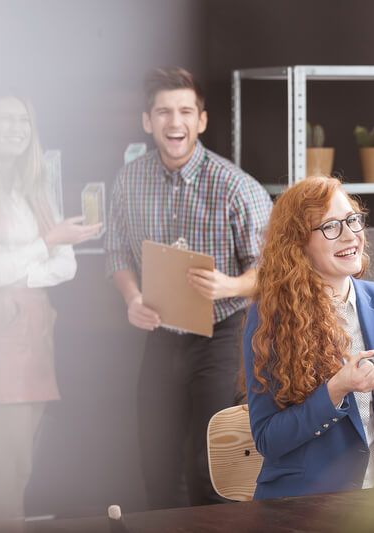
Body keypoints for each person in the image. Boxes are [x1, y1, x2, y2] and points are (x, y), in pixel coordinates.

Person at [105, 67, 272, 509]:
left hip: (221, 336)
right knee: (155, 461)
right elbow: (117, 252)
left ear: (201, 120)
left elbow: (273, 268)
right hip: (160, 334)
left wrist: (230, 284)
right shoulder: (129, 181)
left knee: (209, 462)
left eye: (184, 111)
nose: (173, 122)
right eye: (163, 112)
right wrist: (132, 298)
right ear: (147, 121)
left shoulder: (236, 187)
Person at [243, 176, 374, 500]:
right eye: (331, 226)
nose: (350, 235)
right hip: (305, 506)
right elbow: (268, 439)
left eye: (352, 220)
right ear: (299, 244)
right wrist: (336, 389)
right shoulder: (270, 316)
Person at [0, 94, 101, 523]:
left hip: (34, 338)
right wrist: (44, 245)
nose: (15, 128)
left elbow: (65, 265)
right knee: (3, 470)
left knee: (18, 467)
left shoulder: (33, 190)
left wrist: (18, 273)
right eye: (3, 119)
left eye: (23, 120)